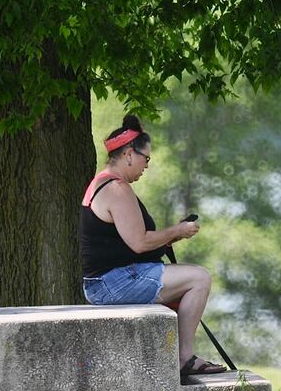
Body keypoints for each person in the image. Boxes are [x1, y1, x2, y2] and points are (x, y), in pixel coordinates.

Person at [79, 114, 226, 376]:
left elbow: (130, 241)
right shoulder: (116, 189)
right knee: (199, 278)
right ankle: (183, 358)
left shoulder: (102, 182)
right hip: (112, 285)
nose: (147, 165)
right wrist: (177, 230)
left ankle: (176, 356)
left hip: (104, 282)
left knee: (188, 281)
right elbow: (139, 242)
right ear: (128, 154)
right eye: (146, 158)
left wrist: (172, 237)